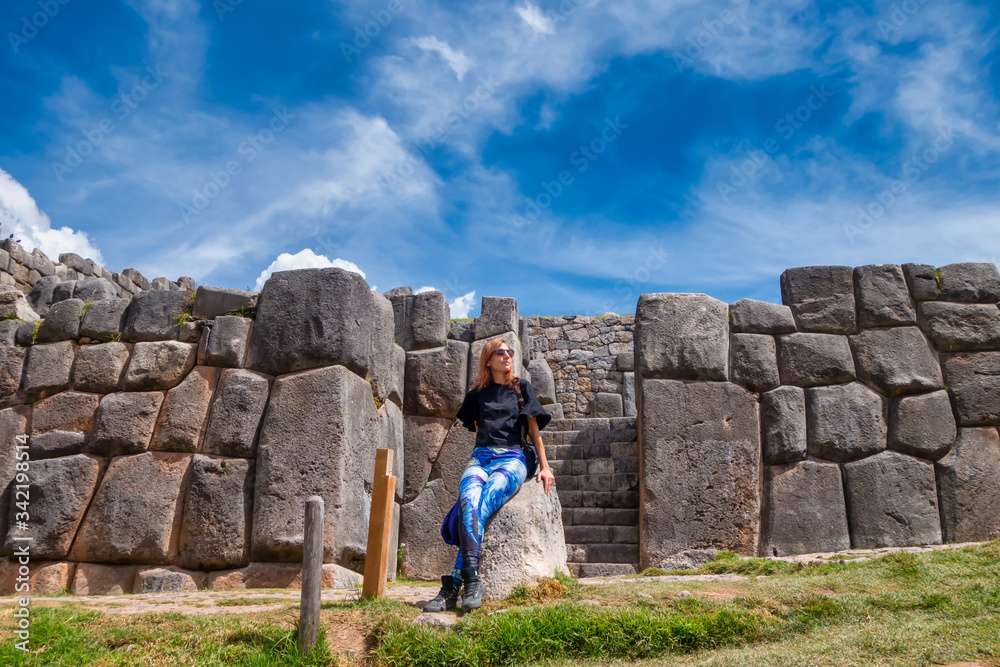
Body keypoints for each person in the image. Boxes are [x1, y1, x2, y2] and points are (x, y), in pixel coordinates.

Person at [422, 336, 554, 612]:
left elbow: (534, 433)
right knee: (468, 499)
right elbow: (479, 428)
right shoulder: (476, 396)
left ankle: (455, 583)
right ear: (488, 359)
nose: (507, 356)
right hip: (480, 459)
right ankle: (470, 581)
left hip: (513, 458)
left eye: (509, 352)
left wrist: (545, 467)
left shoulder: (522, 388)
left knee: (483, 502)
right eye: (500, 352)